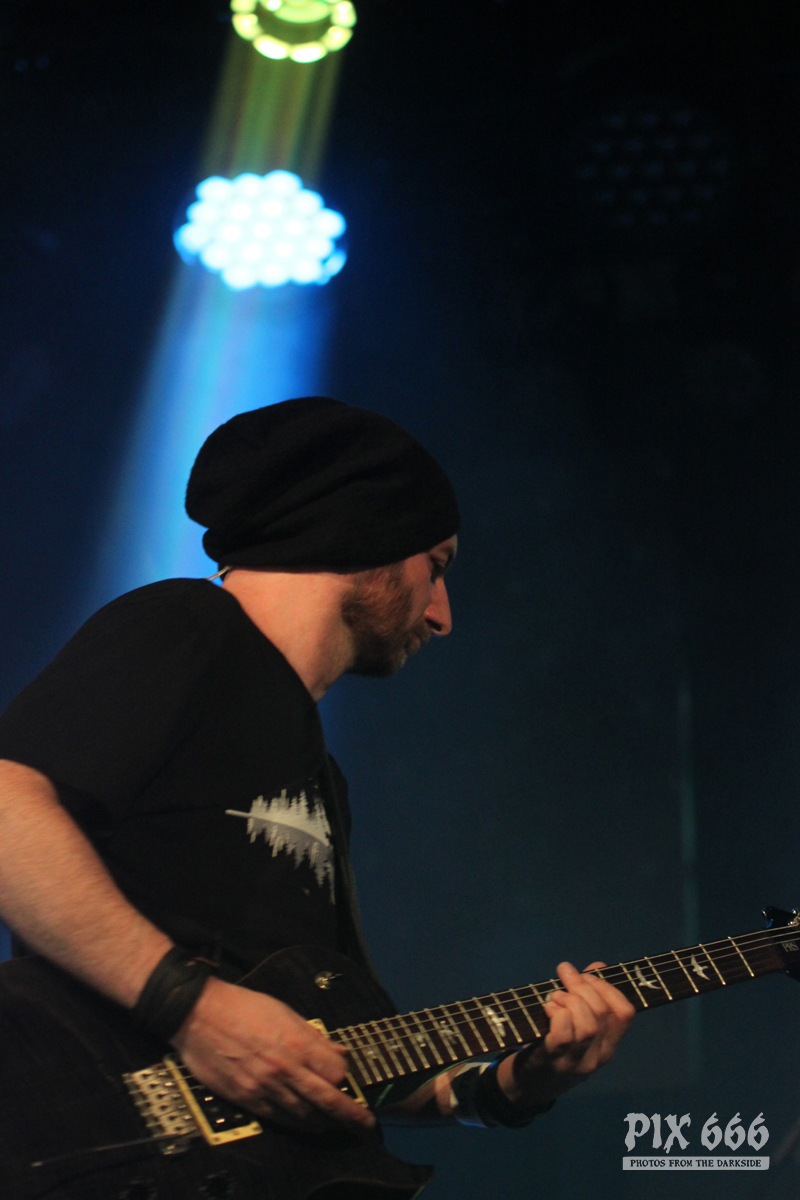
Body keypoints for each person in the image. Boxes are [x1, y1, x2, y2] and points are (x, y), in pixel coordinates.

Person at [0, 396, 633, 1143]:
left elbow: (339, 1056)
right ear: (370, 536)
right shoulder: (186, 625)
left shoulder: (321, 776)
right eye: (435, 567)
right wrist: (193, 1009)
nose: (442, 616)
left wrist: (517, 1084)